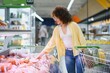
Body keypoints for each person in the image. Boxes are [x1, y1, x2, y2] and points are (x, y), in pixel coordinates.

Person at [37, 6, 86, 73]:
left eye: (56, 18)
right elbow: (51, 43)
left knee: (80, 71)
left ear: (62, 16)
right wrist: (41, 54)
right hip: (68, 53)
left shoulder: (73, 25)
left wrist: (84, 53)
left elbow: (82, 39)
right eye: (54, 18)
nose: (55, 20)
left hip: (78, 52)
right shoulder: (57, 29)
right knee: (70, 71)